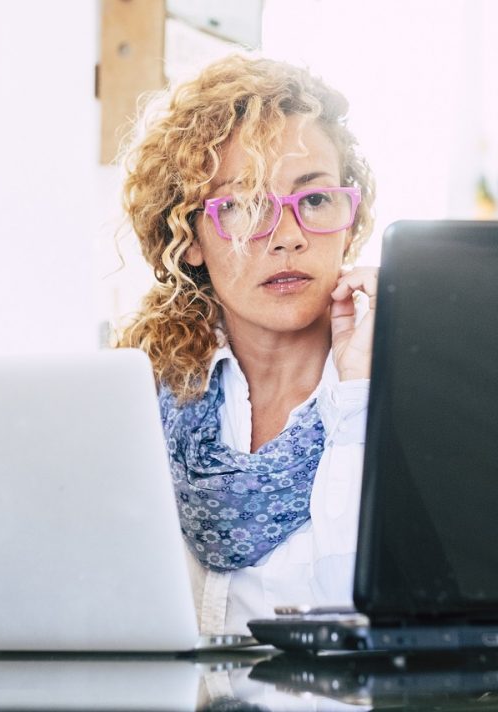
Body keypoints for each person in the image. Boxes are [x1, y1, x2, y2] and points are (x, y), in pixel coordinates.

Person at [118, 54, 377, 635]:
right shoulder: (138, 399)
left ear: (350, 219)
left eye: (314, 200)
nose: (287, 236)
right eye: (244, 206)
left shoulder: (403, 384)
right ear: (188, 237)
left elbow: (368, 623)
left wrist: (360, 391)